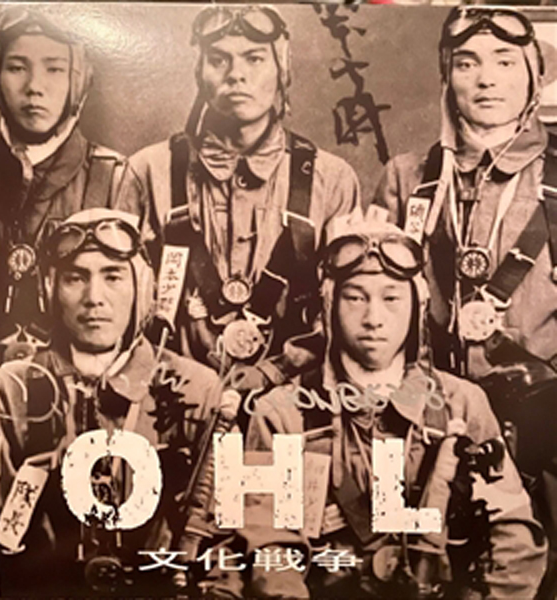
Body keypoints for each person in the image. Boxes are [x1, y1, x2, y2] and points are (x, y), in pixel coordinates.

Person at [207, 221, 547, 599]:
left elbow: (513, 534)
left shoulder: (460, 403)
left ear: (416, 306)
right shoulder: (283, 412)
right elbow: (271, 548)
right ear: (329, 306)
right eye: (355, 298)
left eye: (391, 298)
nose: (373, 318)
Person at [369, 7, 557, 596]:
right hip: (433, 421)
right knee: (417, 575)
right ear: (446, 77)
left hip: (545, 423)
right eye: (467, 63)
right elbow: (375, 305)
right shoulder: (408, 178)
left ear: (534, 75)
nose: (487, 79)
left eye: (505, 62)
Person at [0, 208, 228, 597]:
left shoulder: (198, 390)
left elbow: (230, 529)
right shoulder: (9, 390)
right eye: (75, 278)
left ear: (142, 288)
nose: (94, 298)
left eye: (113, 276)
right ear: (49, 289)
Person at [131, 6, 361, 391]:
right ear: (199, 72)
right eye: (219, 60)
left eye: (254, 59)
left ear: (282, 70)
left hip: (295, 402)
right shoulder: (148, 171)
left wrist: (276, 373)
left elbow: (348, 308)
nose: (236, 75)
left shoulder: (331, 178)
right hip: (172, 394)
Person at [0, 6, 143, 362]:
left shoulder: (117, 180)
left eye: (54, 69)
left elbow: (138, 316)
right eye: (17, 68)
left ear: (79, 80)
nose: (34, 87)